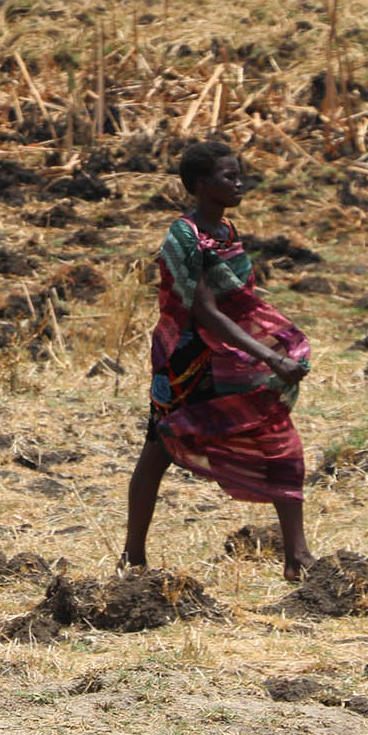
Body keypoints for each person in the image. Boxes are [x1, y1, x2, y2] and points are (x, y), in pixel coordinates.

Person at [123, 140, 317, 582]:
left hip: (231, 357)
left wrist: (270, 340)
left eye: (238, 174)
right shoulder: (185, 236)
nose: (239, 183)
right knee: (159, 449)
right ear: (200, 184)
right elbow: (203, 311)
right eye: (229, 176)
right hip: (188, 361)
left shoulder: (226, 230)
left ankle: (296, 556)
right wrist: (270, 353)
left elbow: (239, 302)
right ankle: (133, 557)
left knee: (279, 439)